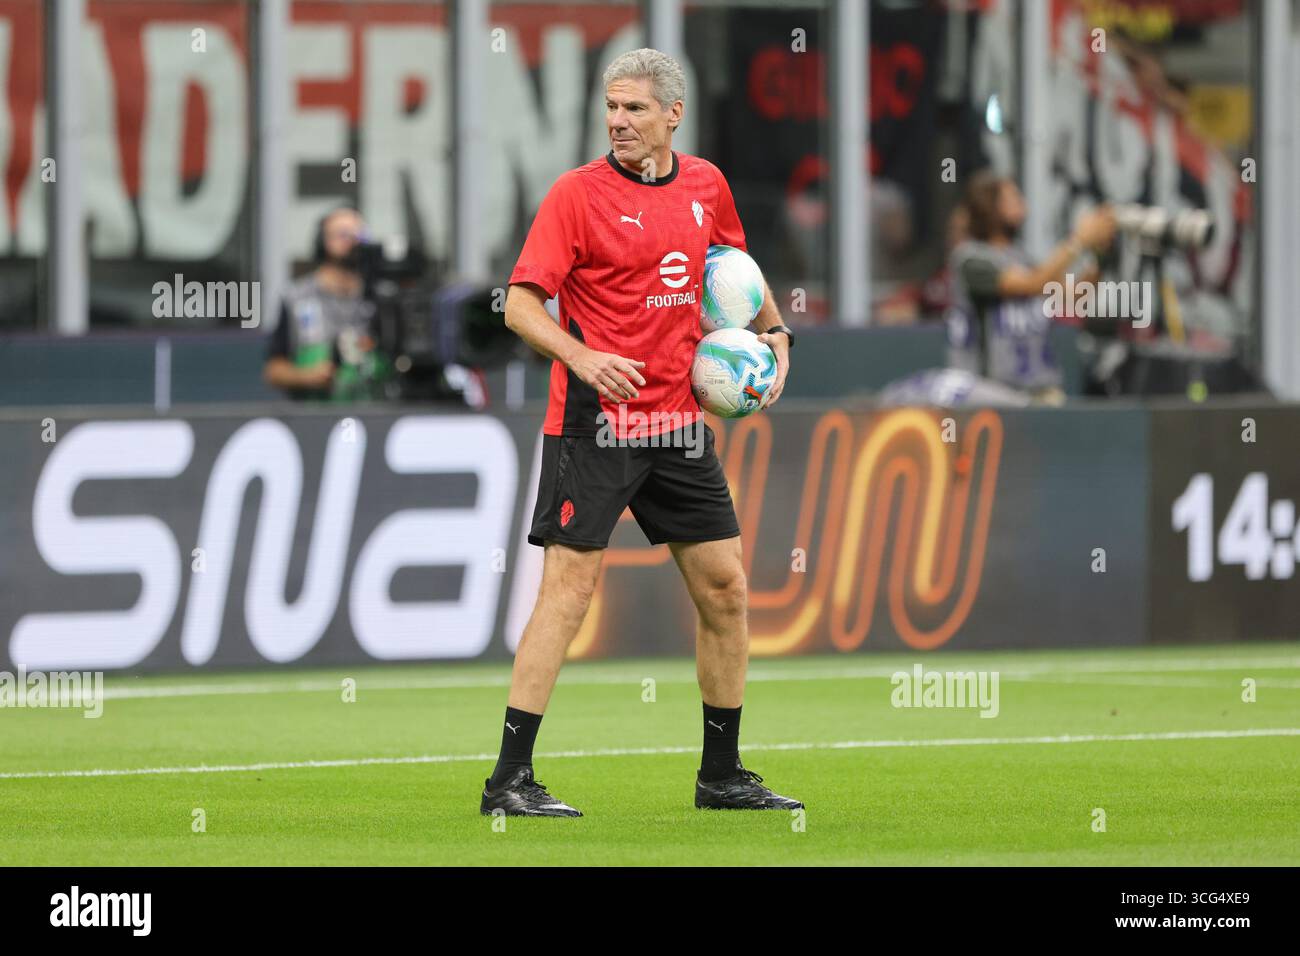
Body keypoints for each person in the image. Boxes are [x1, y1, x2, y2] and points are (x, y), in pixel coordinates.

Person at [481, 48, 801, 817]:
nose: (617, 121)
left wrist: (777, 335)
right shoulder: (575, 196)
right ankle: (508, 781)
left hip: (679, 424)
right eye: (611, 107)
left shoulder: (706, 185)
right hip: (596, 424)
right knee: (568, 593)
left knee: (725, 589)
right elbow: (521, 305)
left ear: (672, 115)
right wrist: (583, 357)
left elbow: (734, 274)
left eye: (633, 109)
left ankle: (720, 776)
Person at [947, 170, 1115, 403]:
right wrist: (1079, 240)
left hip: (1039, 388)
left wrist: (1100, 252)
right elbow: (1032, 284)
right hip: (992, 392)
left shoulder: (1023, 257)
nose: (1022, 204)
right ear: (989, 207)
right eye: (1011, 199)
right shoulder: (970, 259)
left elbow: (1075, 296)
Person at [264, 206, 378, 399]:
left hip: (372, 410)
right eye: (343, 234)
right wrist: (306, 377)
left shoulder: (379, 296)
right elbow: (273, 370)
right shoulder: (297, 298)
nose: (353, 241)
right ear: (322, 241)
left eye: (359, 235)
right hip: (314, 414)